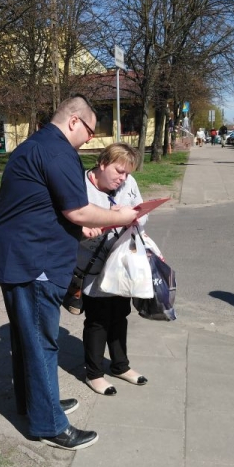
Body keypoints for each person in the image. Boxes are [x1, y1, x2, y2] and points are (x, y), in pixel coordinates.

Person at [0, 95, 140, 451]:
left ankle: (37, 405)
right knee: (42, 342)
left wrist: (77, 230)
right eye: (89, 131)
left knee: (27, 339)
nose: (89, 139)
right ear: (74, 121)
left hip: (21, 257)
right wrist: (120, 216)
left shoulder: (37, 146)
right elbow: (78, 211)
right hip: (33, 262)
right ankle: (50, 425)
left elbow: (43, 206)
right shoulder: (57, 151)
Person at [76, 143, 148, 397]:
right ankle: (94, 373)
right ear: (102, 163)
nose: (123, 178)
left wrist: (131, 216)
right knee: (97, 320)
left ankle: (120, 366)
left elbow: (142, 214)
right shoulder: (79, 185)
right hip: (93, 266)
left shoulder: (129, 184)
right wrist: (105, 218)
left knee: (120, 315)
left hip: (122, 264)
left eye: (127, 173)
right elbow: (69, 222)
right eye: (119, 171)